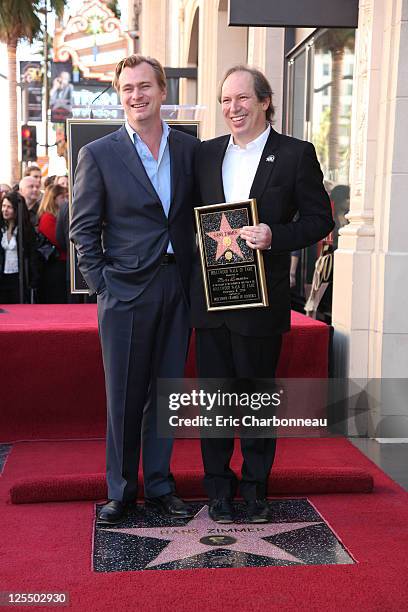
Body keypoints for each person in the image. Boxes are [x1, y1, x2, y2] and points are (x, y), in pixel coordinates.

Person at [191, 65, 334, 524]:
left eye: (243, 99)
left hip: (262, 300)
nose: (233, 108)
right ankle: (217, 490)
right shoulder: (205, 154)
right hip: (212, 300)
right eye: (226, 101)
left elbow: (319, 220)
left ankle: (255, 490)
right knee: (214, 402)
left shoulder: (294, 155)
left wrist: (275, 234)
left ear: (265, 101)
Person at [70, 54, 199, 525]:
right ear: (120, 95)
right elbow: (83, 229)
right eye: (128, 88)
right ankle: (121, 491)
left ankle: (161, 486)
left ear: (163, 91)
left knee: (164, 393)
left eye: (145, 86)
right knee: (124, 394)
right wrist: (103, 286)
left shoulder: (189, 149)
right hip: (123, 291)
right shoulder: (99, 154)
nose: (137, 95)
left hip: (176, 286)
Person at [0, 191, 39, 303]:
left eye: (9, 207)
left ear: (17, 210)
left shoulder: (25, 230)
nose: (5, 210)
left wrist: (33, 278)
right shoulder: (2, 229)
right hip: (2, 276)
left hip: (19, 277)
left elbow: (31, 254)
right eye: (3, 206)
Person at [37, 184, 68, 303]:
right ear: (53, 199)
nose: (65, 200)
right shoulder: (47, 218)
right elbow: (59, 240)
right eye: (62, 197)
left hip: (61, 263)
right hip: (55, 264)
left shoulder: (56, 216)